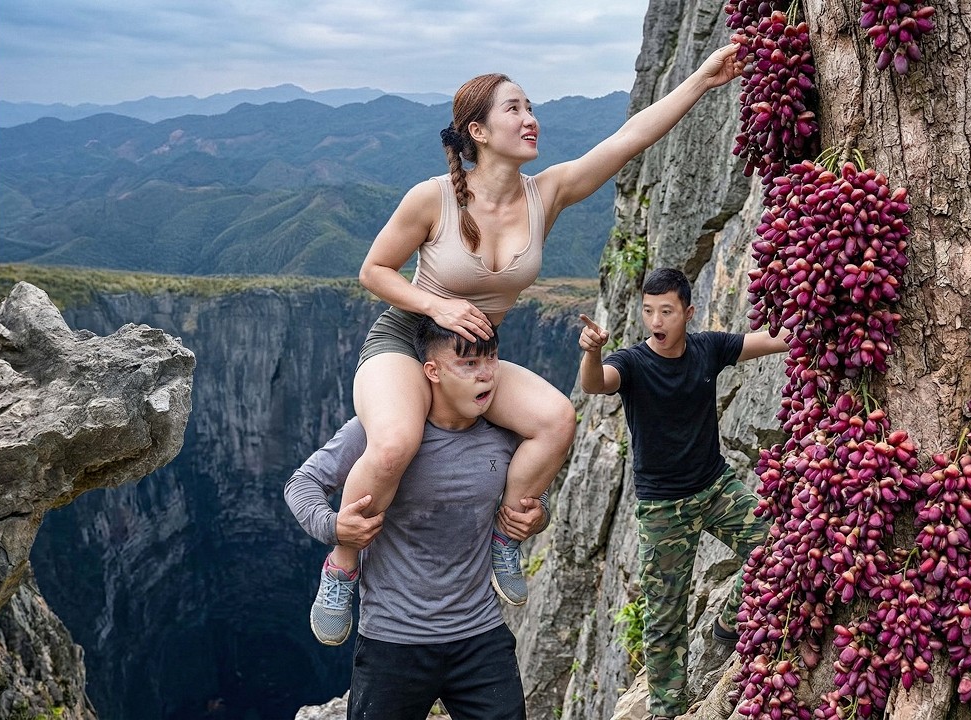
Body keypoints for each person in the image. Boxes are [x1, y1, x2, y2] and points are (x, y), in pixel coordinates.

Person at [309, 41, 746, 644]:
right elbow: (374, 272)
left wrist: (701, 78)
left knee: (556, 419)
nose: (529, 118)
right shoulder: (430, 197)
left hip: (476, 354)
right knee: (393, 446)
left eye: (530, 106)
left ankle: (505, 536)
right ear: (478, 132)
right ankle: (342, 567)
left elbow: (627, 142)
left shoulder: (546, 195)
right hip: (407, 338)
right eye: (513, 109)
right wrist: (437, 303)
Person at [285, 315, 549, 719]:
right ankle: (338, 572)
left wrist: (537, 516)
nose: (486, 376)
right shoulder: (382, 431)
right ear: (433, 371)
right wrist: (334, 526)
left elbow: (535, 492)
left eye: (492, 359)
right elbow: (303, 483)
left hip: (479, 633)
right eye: (468, 364)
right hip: (393, 640)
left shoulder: (506, 432)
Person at [577, 268, 789, 720]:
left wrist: (823, 314)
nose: (656, 319)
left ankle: (730, 622)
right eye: (649, 310)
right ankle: (668, 710)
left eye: (667, 311)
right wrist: (592, 353)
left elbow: (772, 340)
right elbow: (595, 385)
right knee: (665, 616)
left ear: (687, 313)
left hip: (715, 487)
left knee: (778, 545)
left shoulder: (707, 348)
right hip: (662, 507)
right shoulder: (632, 363)